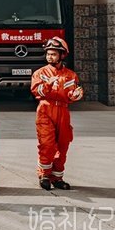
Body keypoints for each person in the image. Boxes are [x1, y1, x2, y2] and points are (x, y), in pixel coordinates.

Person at [30, 36, 83, 190]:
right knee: (46, 144)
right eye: (48, 54)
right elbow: (36, 91)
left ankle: (57, 178)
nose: (49, 57)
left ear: (62, 55)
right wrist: (47, 84)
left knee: (63, 145)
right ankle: (44, 175)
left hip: (63, 111)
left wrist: (75, 96)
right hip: (46, 109)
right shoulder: (40, 73)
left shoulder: (71, 75)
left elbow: (72, 94)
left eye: (53, 54)